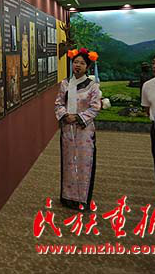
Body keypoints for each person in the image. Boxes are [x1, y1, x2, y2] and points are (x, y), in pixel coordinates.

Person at [55, 48, 101, 210]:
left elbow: (95, 107)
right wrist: (65, 115)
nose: (78, 65)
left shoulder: (92, 86)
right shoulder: (65, 83)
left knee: (84, 162)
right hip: (68, 129)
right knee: (68, 161)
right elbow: (58, 103)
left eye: (82, 63)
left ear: (87, 67)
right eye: (75, 62)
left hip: (84, 130)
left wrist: (78, 117)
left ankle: (82, 198)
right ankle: (68, 197)